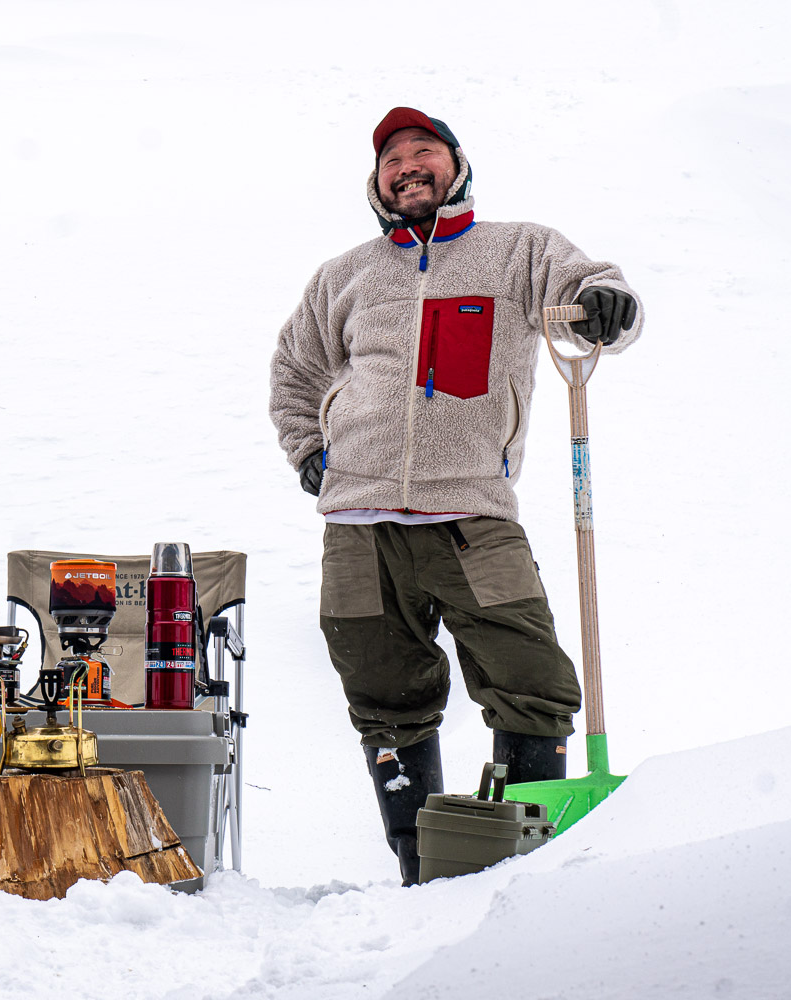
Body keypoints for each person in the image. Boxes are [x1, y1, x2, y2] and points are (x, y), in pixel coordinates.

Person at [268, 107, 643, 885]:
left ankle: (525, 860)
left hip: (473, 514)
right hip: (359, 523)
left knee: (531, 681)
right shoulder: (345, 275)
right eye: (392, 159)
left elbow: (587, 289)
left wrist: (610, 303)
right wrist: (310, 449)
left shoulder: (516, 249)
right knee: (383, 694)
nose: (408, 165)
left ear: (457, 165)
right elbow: (295, 371)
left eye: (424, 152)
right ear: (375, 184)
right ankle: (420, 868)